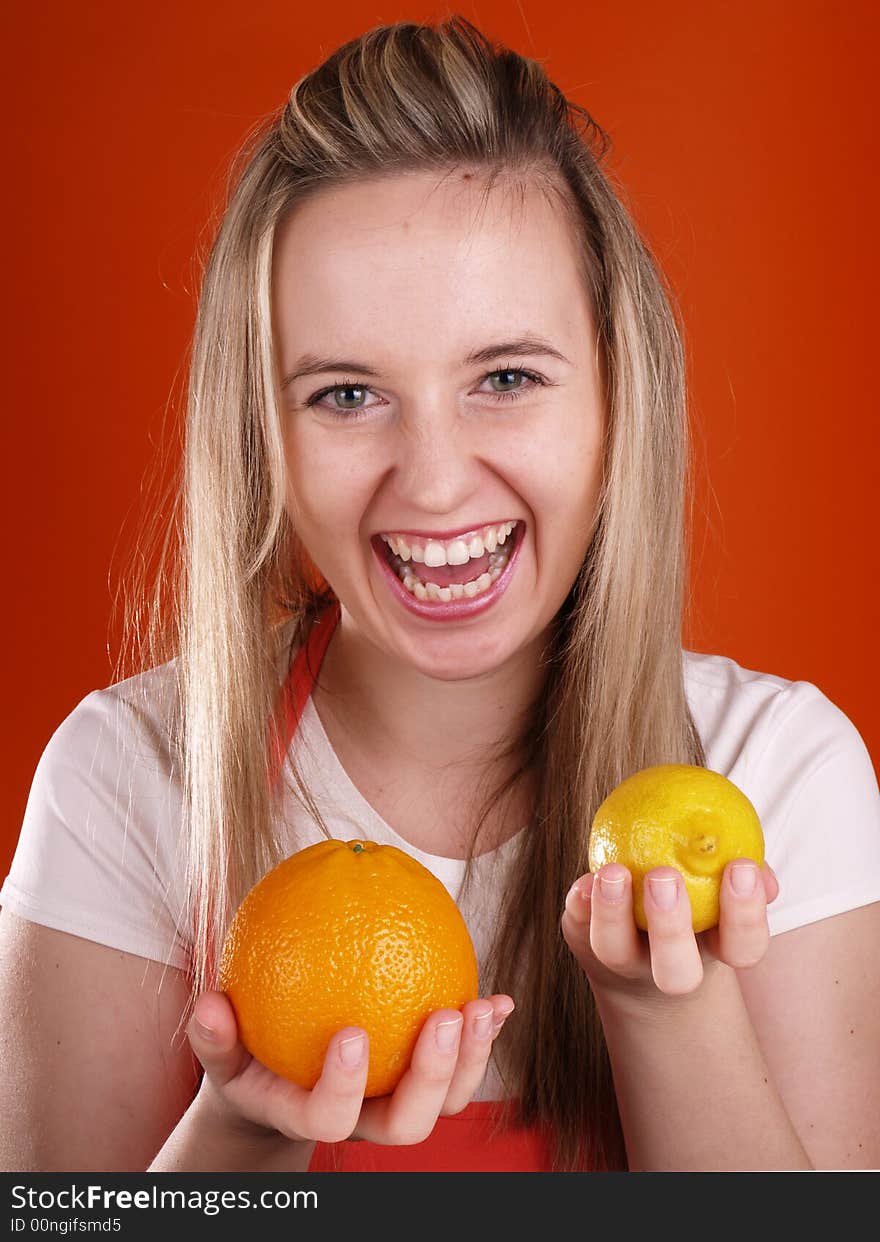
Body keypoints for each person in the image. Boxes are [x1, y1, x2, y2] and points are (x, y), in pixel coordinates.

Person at [1, 15, 878, 1175]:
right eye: (348, 395)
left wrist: (669, 1013)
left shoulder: (777, 775)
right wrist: (245, 1132)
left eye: (505, 377)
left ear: (621, 396)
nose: (432, 478)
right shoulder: (128, 778)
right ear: (263, 432)